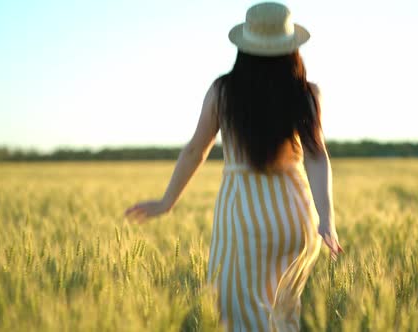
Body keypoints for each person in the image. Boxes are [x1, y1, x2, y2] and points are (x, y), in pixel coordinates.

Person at [125, 2, 342, 331]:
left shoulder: (223, 92)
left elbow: (196, 150)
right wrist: (326, 219)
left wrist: (166, 202)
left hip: (244, 216)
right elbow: (315, 155)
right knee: (283, 317)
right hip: (295, 220)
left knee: (238, 316)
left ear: (245, 47)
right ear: (291, 47)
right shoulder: (307, 94)